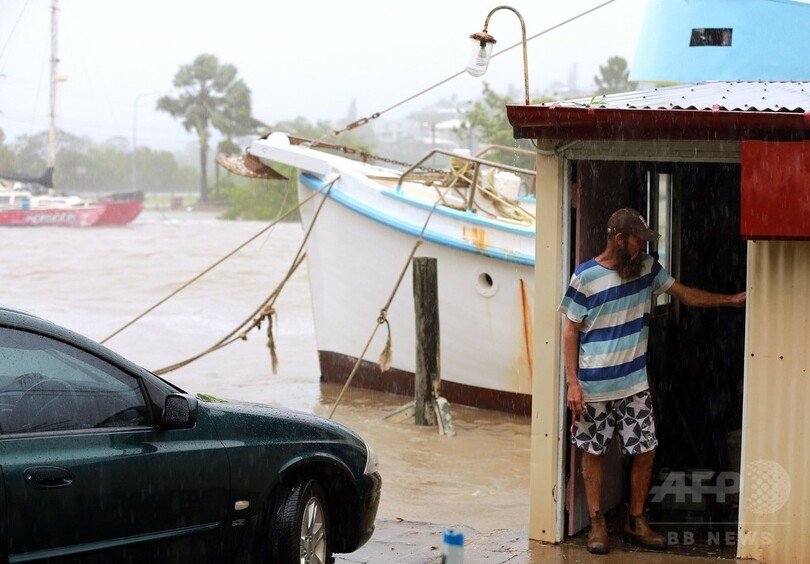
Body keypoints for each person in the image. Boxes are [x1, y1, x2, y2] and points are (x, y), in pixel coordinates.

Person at [558, 207, 746, 555]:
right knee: (593, 452)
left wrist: (729, 301)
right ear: (619, 240)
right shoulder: (584, 276)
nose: (643, 249)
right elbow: (570, 329)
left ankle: (635, 519)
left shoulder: (646, 270)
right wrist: (573, 382)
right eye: (638, 241)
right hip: (594, 386)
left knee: (646, 450)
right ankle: (598, 522)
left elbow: (684, 293)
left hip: (635, 386)